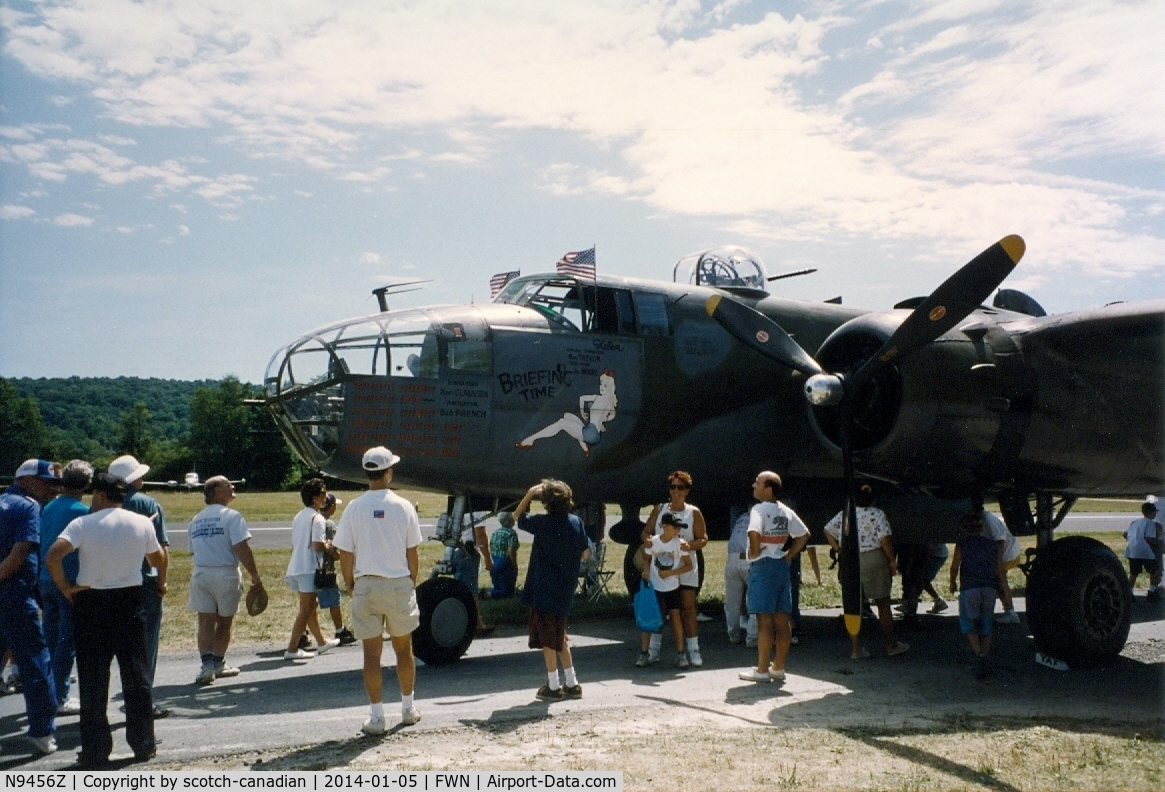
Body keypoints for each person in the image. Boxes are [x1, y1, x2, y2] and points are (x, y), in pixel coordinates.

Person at [46, 471, 166, 767]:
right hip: (130, 600)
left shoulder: (82, 524)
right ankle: (143, 743)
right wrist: (160, 582)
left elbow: (53, 556)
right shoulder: (141, 521)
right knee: (136, 675)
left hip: (92, 601)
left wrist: (65, 587)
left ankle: (96, 749)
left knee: (93, 679)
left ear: (99, 495)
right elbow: (159, 557)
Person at [333, 446, 423, 733]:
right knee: (403, 651)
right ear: (389, 471)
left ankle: (376, 717)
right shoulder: (404, 505)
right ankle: (408, 709)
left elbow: (345, 552)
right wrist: (411, 580)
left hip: (367, 583)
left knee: (371, 655)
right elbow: (413, 552)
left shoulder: (354, 507)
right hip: (398, 583)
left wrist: (349, 582)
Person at [0, 458, 62, 755]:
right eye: (45, 482)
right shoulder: (28, 507)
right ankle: (41, 731)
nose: (50, 488)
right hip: (14, 594)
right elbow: (18, 555)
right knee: (36, 662)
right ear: (25, 480)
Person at [514, 479, 591, 701]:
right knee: (559, 636)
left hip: (544, 588)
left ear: (546, 503)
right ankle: (572, 682)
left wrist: (529, 493)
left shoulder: (542, 523)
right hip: (565, 588)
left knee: (547, 639)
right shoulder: (576, 522)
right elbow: (585, 553)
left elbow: (517, 518)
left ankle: (554, 685)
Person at [108, 454, 171, 718]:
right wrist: (161, 581)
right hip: (142, 580)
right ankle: (142, 701)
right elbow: (160, 549)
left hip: (109, 580)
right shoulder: (147, 504)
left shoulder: (104, 503)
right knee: (145, 644)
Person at [187, 476, 264, 685]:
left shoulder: (196, 519)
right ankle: (218, 663)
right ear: (217, 491)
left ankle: (206, 665)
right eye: (228, 485)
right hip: (225, 573)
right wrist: (254, 575)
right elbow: (241, 548)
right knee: (224, 622)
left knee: (204, 621)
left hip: (201, 573)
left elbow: (192, 552)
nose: (232, 487)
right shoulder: (232, 517)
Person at [738, 471, 809, 683]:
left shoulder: (758, 509)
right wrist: (787, 555)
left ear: (768, 489)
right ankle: (778, 667)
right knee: (782, 618)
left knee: (763, 620)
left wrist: (754, 551)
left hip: (763, 566)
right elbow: (804, 535)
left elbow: (754, 532)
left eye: (757, 482)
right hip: (780, 565)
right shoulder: (785, 510)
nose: (753, 485)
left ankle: (761, 669)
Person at [822, 484, 908, 659]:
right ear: (873, 498)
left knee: (853, 604)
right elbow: (885, 540)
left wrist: (838, 549)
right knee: (883, 603)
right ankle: (891, 645)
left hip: (851, 559)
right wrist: (892, 560)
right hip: (873, 557)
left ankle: (856, 649)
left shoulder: (846, 514)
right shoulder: (877, 514)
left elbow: (827, 530)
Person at [39, 460, 93, 715]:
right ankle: (60, 696)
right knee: (67, 640)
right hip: (68, 580)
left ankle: (47, 689)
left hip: (45, 578)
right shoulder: (81, 512)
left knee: (50, 638)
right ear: (87, 484)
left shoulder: (49, 507)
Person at [641, 470, 708, 667]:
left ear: (687, 491)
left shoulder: (693, 512)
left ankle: (693, 650)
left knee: (687, 609)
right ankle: (653, 651)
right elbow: (647, 531)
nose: (676, 491)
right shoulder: (660, 509)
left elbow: (703, 538)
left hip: (685, 565)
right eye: (673, 487)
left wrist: (691, 546)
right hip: (662, 568)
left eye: (681, 487)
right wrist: (648, 541)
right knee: (659, 609)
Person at [284, 478, 341, 660]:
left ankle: (321, 642)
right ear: (315, 498)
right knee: (306, 608)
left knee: (309, 606)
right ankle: (292, 649)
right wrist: (328, 545)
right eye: (323, 493)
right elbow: (317, 545)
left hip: (297, 566)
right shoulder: (317, 518)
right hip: (309, 567)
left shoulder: (299, 516)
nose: (325, 497)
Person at [636, 513, 692, 668]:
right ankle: (644, 653)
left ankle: (681, 654)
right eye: (675, 527)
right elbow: (647, 559)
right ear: (665, 527)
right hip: (655, 586)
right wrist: (646, 571)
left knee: (675, 618)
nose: (678, 530)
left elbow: (689, 565)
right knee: (650, 618)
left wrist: (671, 573)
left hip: (672, 587)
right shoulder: (653, 542)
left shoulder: (679, 544)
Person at [950, 512, 1000, 679]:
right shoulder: (992, 545)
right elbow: (998, 568)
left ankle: (978, 655)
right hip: (988, 587)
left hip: (969, 588)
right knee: (986, 622)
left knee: (968, 623)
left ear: (964, 529)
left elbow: (955, 566)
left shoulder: (962, 545)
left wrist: (952, 582)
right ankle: (985, 655)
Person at [319, 493, 356, 645]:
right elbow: (333, 550)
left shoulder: (313, 520)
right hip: (325, 569)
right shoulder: (329, 525)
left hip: (311, 568)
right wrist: (342, 557)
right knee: (334, 601)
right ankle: (340, 630)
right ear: (332, 506)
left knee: (310, 602)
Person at [452, 511, 494, 636]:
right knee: (471, 591)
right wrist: (487, 558)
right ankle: (476, 624)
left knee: (464, 589)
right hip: (469, 551)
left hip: (459, 550)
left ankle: (472, 622)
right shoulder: (478, 510)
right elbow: (480, 534)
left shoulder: (463, 507)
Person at [978, 504, 1021, 624]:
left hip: (1006, 553)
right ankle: (1008, 611)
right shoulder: (981, 518)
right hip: (1000, 553)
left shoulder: (987, 519)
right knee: (996, 581)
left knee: (999, 579)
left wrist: (998, 563)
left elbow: (1000, 541)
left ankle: (1010, 612)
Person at [724, 510, 757, 646]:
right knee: (755, 600)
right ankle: (752, 637)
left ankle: (733, 635)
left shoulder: (740, 518)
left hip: (732, 559)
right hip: (749, 558)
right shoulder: (762, 516)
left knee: (732, 603)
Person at [1124, 501, 1162, 598]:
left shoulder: (1135, 522)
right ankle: (1152, 592)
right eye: (1154, 512)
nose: (1155, 514)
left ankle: (1129, 592)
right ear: (1151, 512)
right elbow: (1149, 538)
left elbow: (1125, 534)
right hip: (1145, 551)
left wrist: (1134, 541)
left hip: (1132, 550)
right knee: (1155, 571)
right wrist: (1157, 544)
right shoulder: (1150, 523)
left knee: (1134, 573)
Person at [488, 511, 520, 599]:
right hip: (505, 562)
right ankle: (489, 594)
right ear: (510, 521)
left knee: (497, 584)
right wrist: (514, 564)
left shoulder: (496, 532)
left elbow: (491, 546)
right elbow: (511, 550)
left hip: (495, 560)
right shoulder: (511, 533)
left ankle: (491, 593)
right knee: (507, 590)